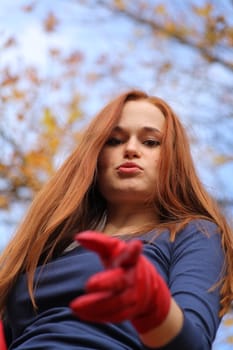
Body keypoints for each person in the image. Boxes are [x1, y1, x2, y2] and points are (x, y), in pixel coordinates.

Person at [0, 89, 233, 350]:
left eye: (151, 142)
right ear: (96, 157)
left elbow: (193, 345)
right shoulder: (45, 248)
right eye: (114, 140)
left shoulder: (194, 233)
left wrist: (152, 307)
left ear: (173, 160)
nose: (131, 149)